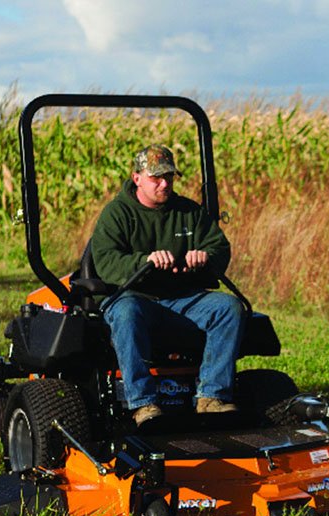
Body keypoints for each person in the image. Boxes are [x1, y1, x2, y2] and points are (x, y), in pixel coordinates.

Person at [91, 144, 245, 426]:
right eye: (156, 178)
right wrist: (144, 261)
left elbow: (219, 247)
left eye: (170, 178)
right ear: (137, 177)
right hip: (135, 298)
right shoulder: (117, 214)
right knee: (124, 312)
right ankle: (143, 404)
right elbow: (106, 260)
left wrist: (205, 257)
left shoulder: (188, 212)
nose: (164, 184)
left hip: (183, 298)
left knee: (228, 307)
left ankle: (212, 396)